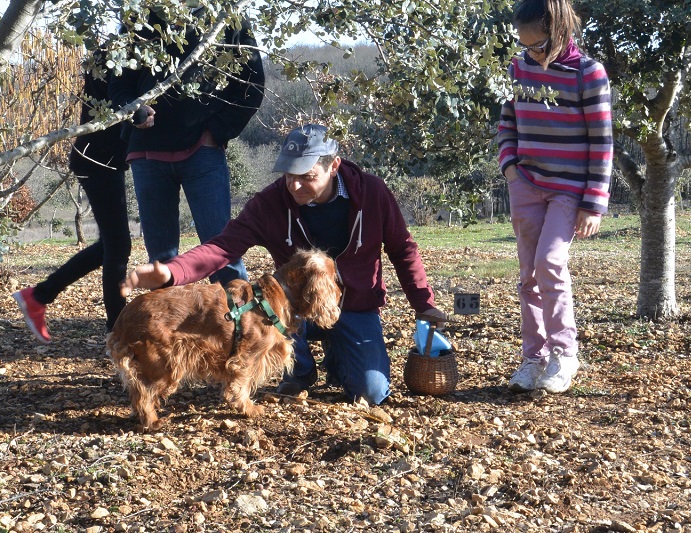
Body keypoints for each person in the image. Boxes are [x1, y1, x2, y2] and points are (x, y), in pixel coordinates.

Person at [119, 124, 447, 406]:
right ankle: (300, 372)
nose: (294, 185)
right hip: (291, 311)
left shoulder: (371, 194)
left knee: (371, 393)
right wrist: (172, 271)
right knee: (268, 329)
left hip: (355, 306)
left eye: (306, 176)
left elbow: (403, 249)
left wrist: (424, 303)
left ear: (333, 166)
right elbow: (224, 245)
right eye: (289, 175)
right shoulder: (272, 202)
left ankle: (338, 354)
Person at [497, 0, 613, 393]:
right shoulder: (517, 68)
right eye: (524, 45)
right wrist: (510, 169)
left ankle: (565, 353)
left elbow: (602, 141)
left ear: (560, 30)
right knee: (528, 275)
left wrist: (594, 202)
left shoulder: (588, 74)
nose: (532, 53)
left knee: (549, 262)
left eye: (539, 45)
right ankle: (534, 358)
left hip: (569, 189)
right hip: (525, 183)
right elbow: (506, 122)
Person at [108, 6, 265, 286]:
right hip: (147, 154)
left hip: (203, 151)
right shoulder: (139, 17)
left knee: (223, 254)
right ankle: (172, 317)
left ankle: (238, 315)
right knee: (161, 262)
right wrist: (135, 111)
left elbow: (252, 85)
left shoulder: (228, 17)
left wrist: (217, 131)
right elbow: (118, 85)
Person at [13, 51, 132, 343]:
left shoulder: (118, 53)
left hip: (101, 158)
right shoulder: (118, 56)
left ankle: (39, 295)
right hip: (97, 159)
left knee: (110, 246)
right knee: (118, 247)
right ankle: (118, 332)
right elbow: (121, 102)